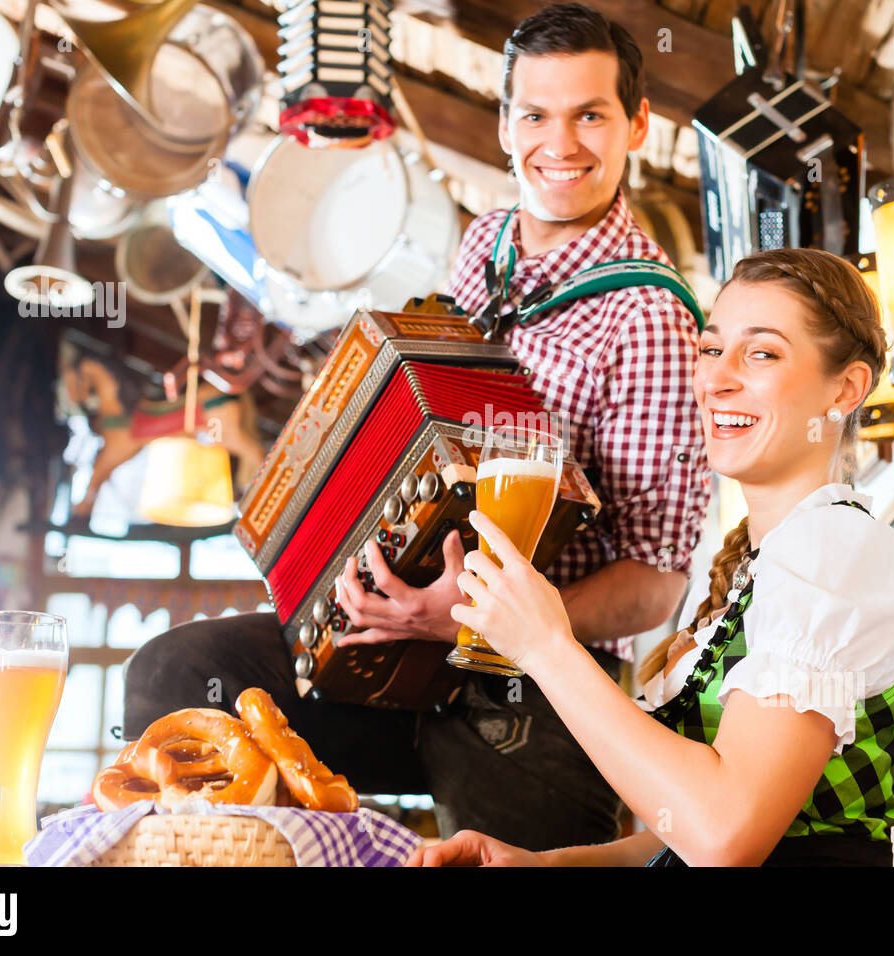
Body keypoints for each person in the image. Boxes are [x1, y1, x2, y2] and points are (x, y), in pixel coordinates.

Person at [123, 2, 711, 851]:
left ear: (638, 125)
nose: (561, 143)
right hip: (398, 646)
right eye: (536, 115)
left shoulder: (652, 317)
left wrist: (471, 621)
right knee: (176, 673)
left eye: (590, 115)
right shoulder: (483, 246)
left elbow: (655, 584)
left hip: (532, 683)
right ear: (504, 125)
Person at [408, 248, 894, 867]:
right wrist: (543, 865)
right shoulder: (755, 569)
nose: (716, 378)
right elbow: (680, 834)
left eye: (761, 353)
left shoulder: (834, 549)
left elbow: (725, 838)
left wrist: (545, 647)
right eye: (711, 349)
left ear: (846, 388)